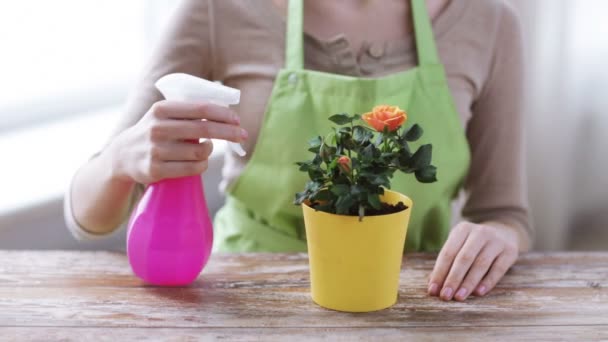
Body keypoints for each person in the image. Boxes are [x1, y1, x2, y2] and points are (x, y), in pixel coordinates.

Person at [65, 0, 532, 302]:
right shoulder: (217, 9)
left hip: (416, 306)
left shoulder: (489, 23)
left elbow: (503, 212)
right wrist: (118, 162)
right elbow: (89, 218)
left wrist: (500, 236)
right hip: (244, 300)